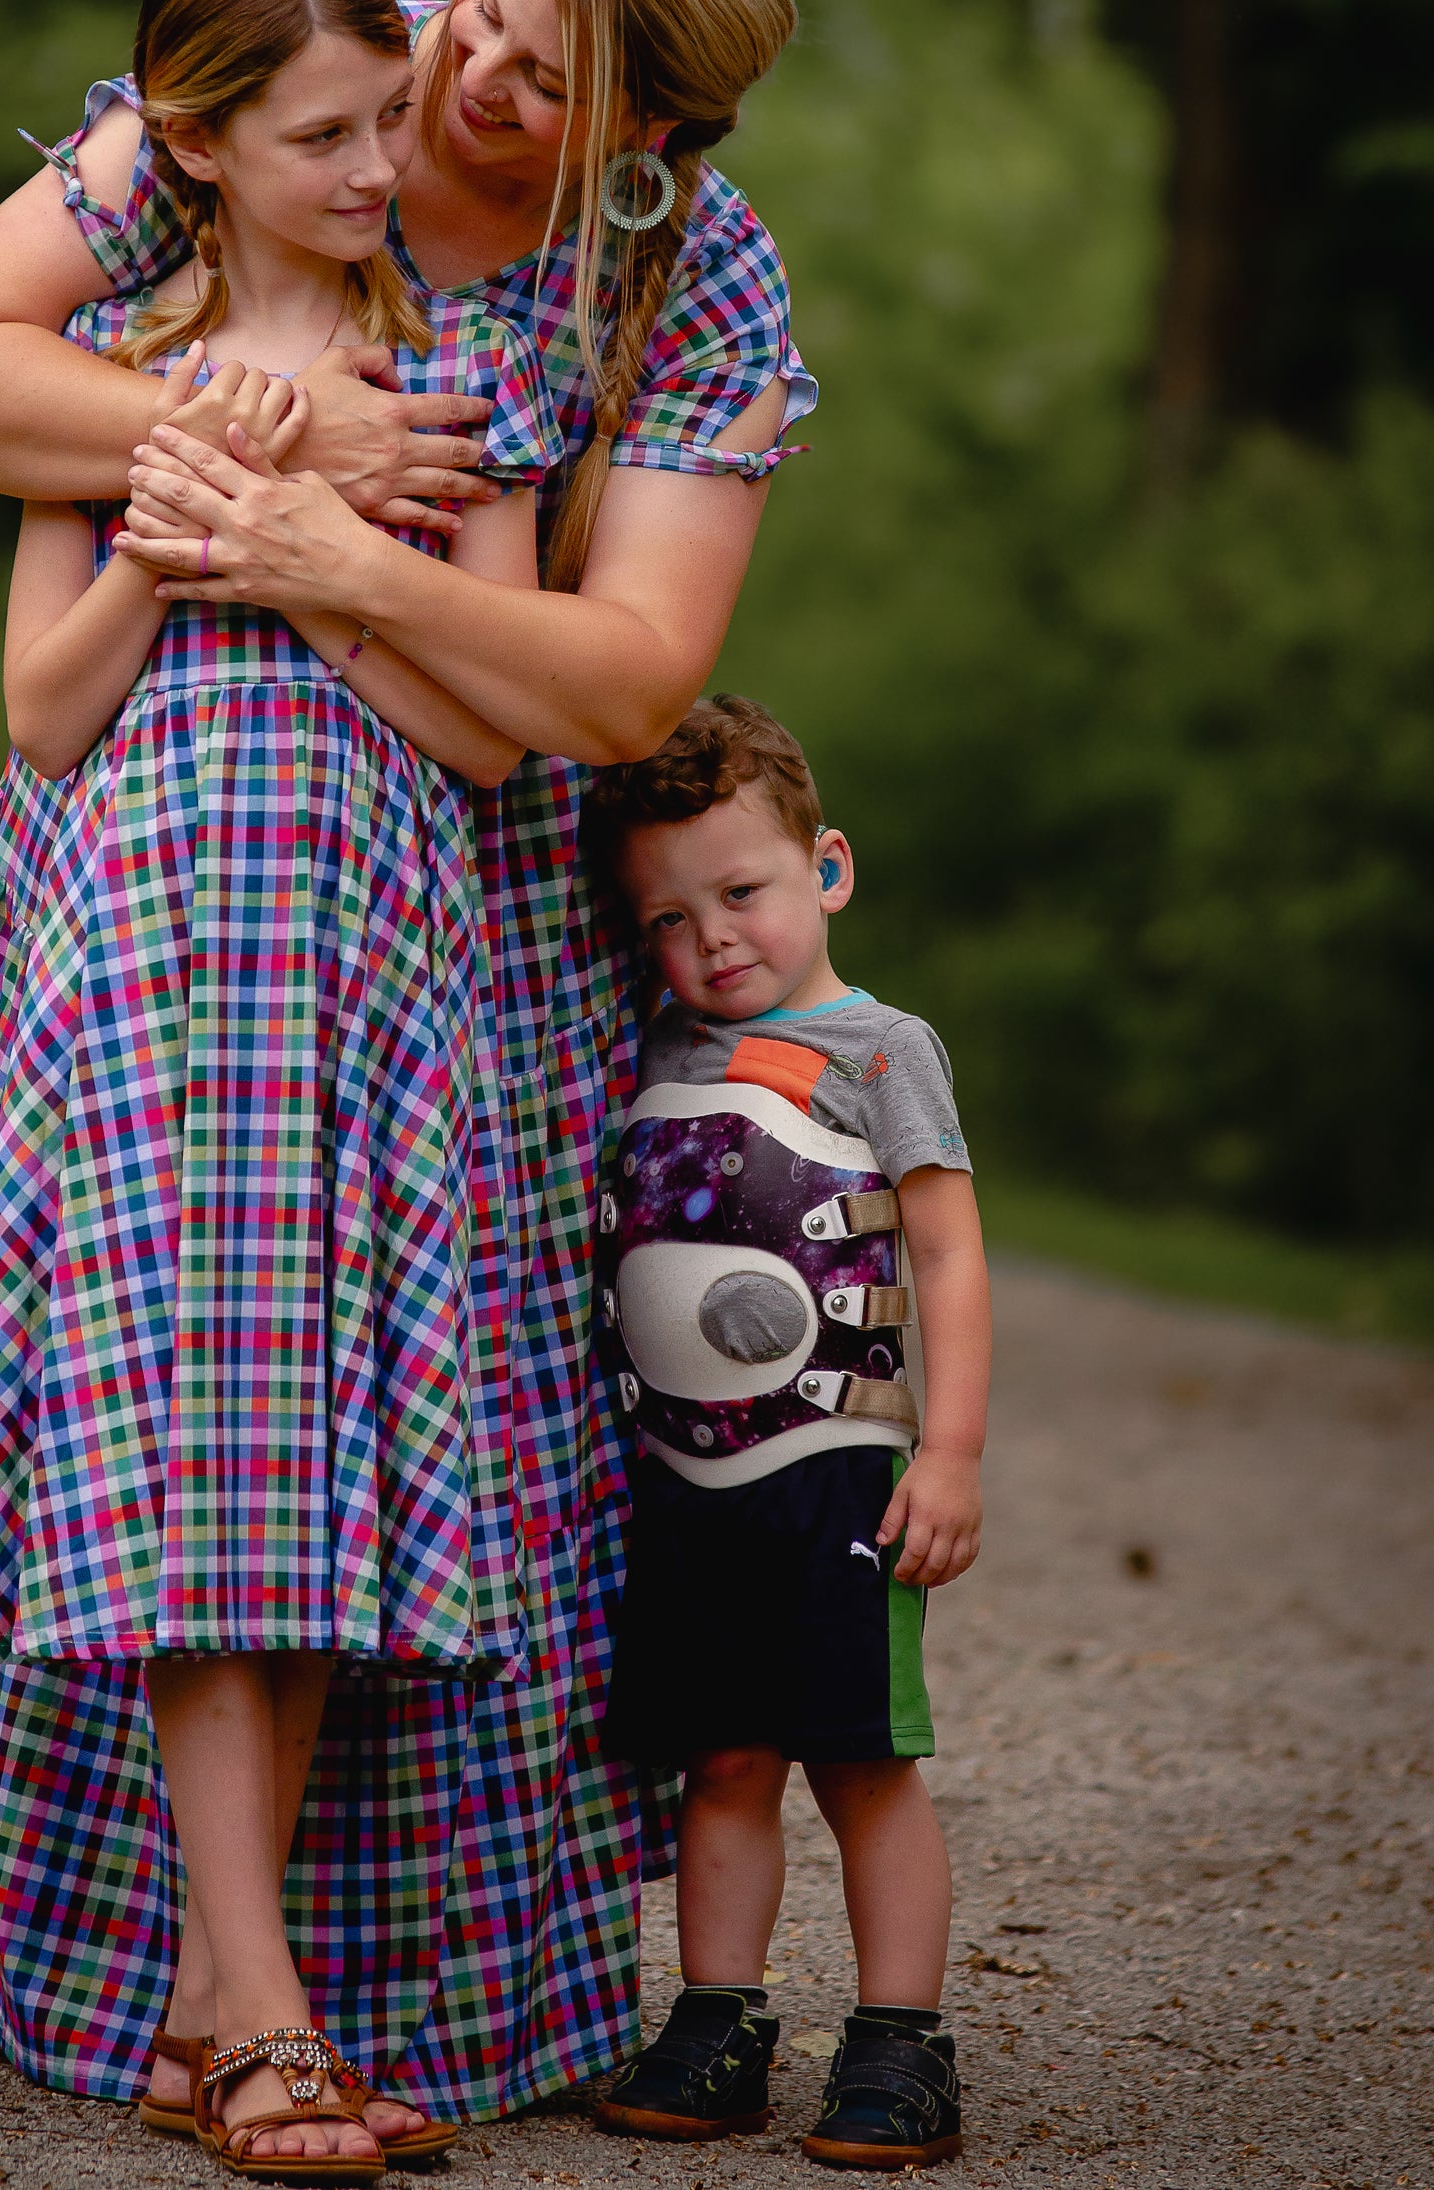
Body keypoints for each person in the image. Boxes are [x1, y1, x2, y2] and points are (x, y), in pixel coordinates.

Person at [0, 0, 813, 2126]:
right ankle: (215, 1993)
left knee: (369, 1426)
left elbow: (611, 684)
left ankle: (277, 1999)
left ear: (654, 138)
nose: (463, 91)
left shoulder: (677, 291)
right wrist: (258, 456)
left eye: (533, 82)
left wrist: (321, 551)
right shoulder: (262, 100)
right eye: (471, 16)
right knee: (176, 1398)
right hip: (173, 871)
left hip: (439, 904)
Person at [582, 695, 991, 2171]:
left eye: (740, 891)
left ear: (826, 866)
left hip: (836, 1470)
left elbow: (946, 1253)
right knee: (723, 1757)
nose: (711, 941)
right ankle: (718, 2023)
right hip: (681, 1481)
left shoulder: (882, 1049)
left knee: (858, 1754)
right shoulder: (647, 1047)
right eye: (669, 918)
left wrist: (947, 1453)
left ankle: (898, 2040)